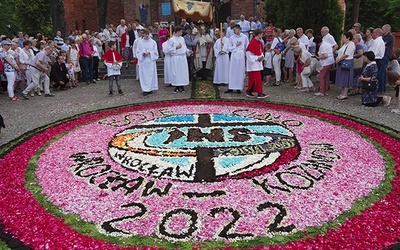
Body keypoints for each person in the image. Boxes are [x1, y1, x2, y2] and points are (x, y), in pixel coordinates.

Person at [226, 24, 249, 94]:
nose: (234, 31)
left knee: (240, 71)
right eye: (233, 30)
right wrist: (235, 45)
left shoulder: (244, 37)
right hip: (234, 55)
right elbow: (229, 48)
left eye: (235, 29)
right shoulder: (231, 38)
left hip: (241, 55)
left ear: (239, 29)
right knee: (232, 71)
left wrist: (247, 55)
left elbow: (247, 47)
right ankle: (231, 87)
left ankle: (238, 88)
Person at [168, 26, 192, 93]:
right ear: (177, 32)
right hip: (176, 58)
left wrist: (188, 51)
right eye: (180, 31)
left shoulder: (182, 39)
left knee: (182, 72)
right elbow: (169, 50)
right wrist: (176, 47)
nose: (181, 32)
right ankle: (176, 86)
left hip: (182, 57)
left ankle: (182, 86)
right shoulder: (172, 40)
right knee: (176, 72)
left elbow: (184, 47)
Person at [136, 29, 159, 96]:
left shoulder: (153, 42)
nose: (146, 36)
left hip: (150, 61)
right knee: (144, 76)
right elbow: (137, 52)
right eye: (145, 34)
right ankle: (145, 89)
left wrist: (150, 52)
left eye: (147, 34)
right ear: (143, 34)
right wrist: (142, 54)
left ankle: (151, 88)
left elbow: (155, 52)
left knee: (150, 75)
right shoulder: (140, 42)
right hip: (143, 62)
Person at [245, 29, 267, 98]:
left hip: (258, 62)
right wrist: (257, 58)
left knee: (253, 78)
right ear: (258, 34)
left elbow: (261, 52)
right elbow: (248, 54)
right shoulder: (252, 42)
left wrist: (262, 57)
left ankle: (249, 90)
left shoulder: (259, 42)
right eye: (261, 34)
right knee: (257, 78)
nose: (262, 35)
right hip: (253, 63)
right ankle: (259, 92)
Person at [335, 32, 356, 100]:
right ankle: (342, 92)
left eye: (344, 37)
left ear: (348, 38)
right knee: (342, 77)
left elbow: (347, 54)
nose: (343, 38)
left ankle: (345, 93)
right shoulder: (344, 45)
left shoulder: (351, 44)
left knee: (346, 77)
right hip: (341, 62)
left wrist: (339, 59)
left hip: (347, 62)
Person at [368, 28, 385, 94]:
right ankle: (378, 89)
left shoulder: (377, 42)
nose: (372, 34)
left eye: (373, 33)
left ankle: (377, 89)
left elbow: (373, 52)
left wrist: (368, 58)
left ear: (376, 33)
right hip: (377, 59)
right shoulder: (379, 41)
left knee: (376, 75)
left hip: (376, 59)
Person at [380, 24, 394, 94]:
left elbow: (382, 43)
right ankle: (383, 87)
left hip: (386, 55)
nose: (382, 31)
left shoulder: (389, 36)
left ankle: (381, 88)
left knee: (382, 71)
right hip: (384, 55)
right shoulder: (385, 36)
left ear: (387, 29)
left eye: (383, 29)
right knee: (383, 71)